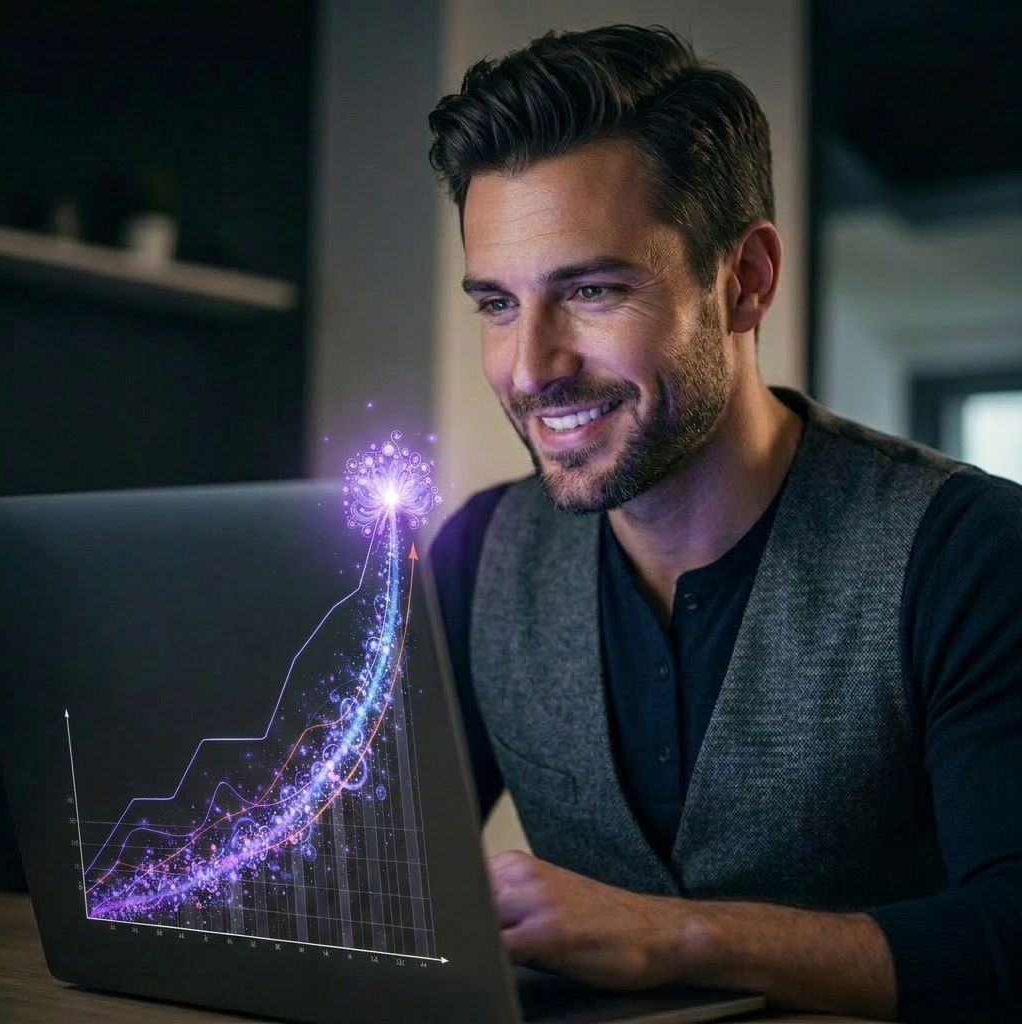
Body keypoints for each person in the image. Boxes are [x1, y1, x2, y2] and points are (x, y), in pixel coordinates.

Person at [425, 24, 1022, 1024]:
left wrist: (681, 934)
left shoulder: (965, 550)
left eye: (592, 290)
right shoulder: (479, 554)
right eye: (496, 302)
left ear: (744, 278)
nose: (529, 367)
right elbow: (373, 879)